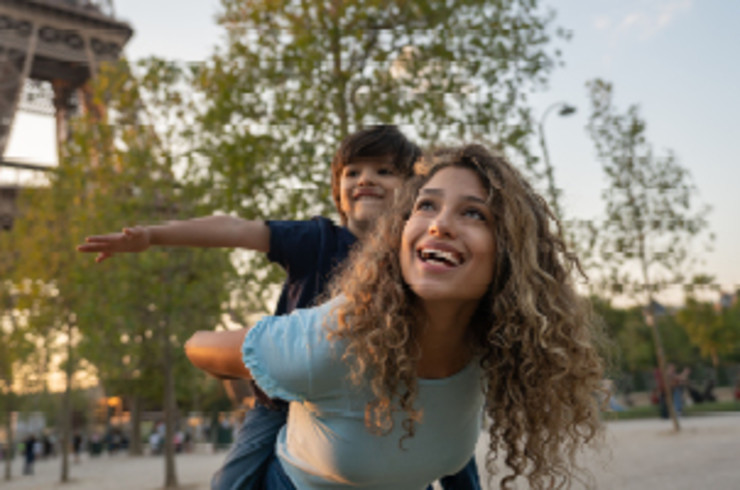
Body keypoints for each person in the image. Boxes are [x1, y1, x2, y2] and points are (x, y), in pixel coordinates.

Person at [78, 126, 489, 489]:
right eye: (352, 172)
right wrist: (152, 235)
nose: (366, 179)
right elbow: (236, 229)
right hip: (286, 398)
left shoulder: (418, 255)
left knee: (454, 449)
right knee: (233, 481)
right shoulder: (315, 239)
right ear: (338, 194)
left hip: (397, 390)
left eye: (384, 171)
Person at [186, 144, 606, 489]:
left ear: (513, 254)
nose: (439, 225)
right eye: (427, 205)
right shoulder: (333, 339)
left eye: (474, 213)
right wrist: (276, 370)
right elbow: (197, 347)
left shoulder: (503, 345)